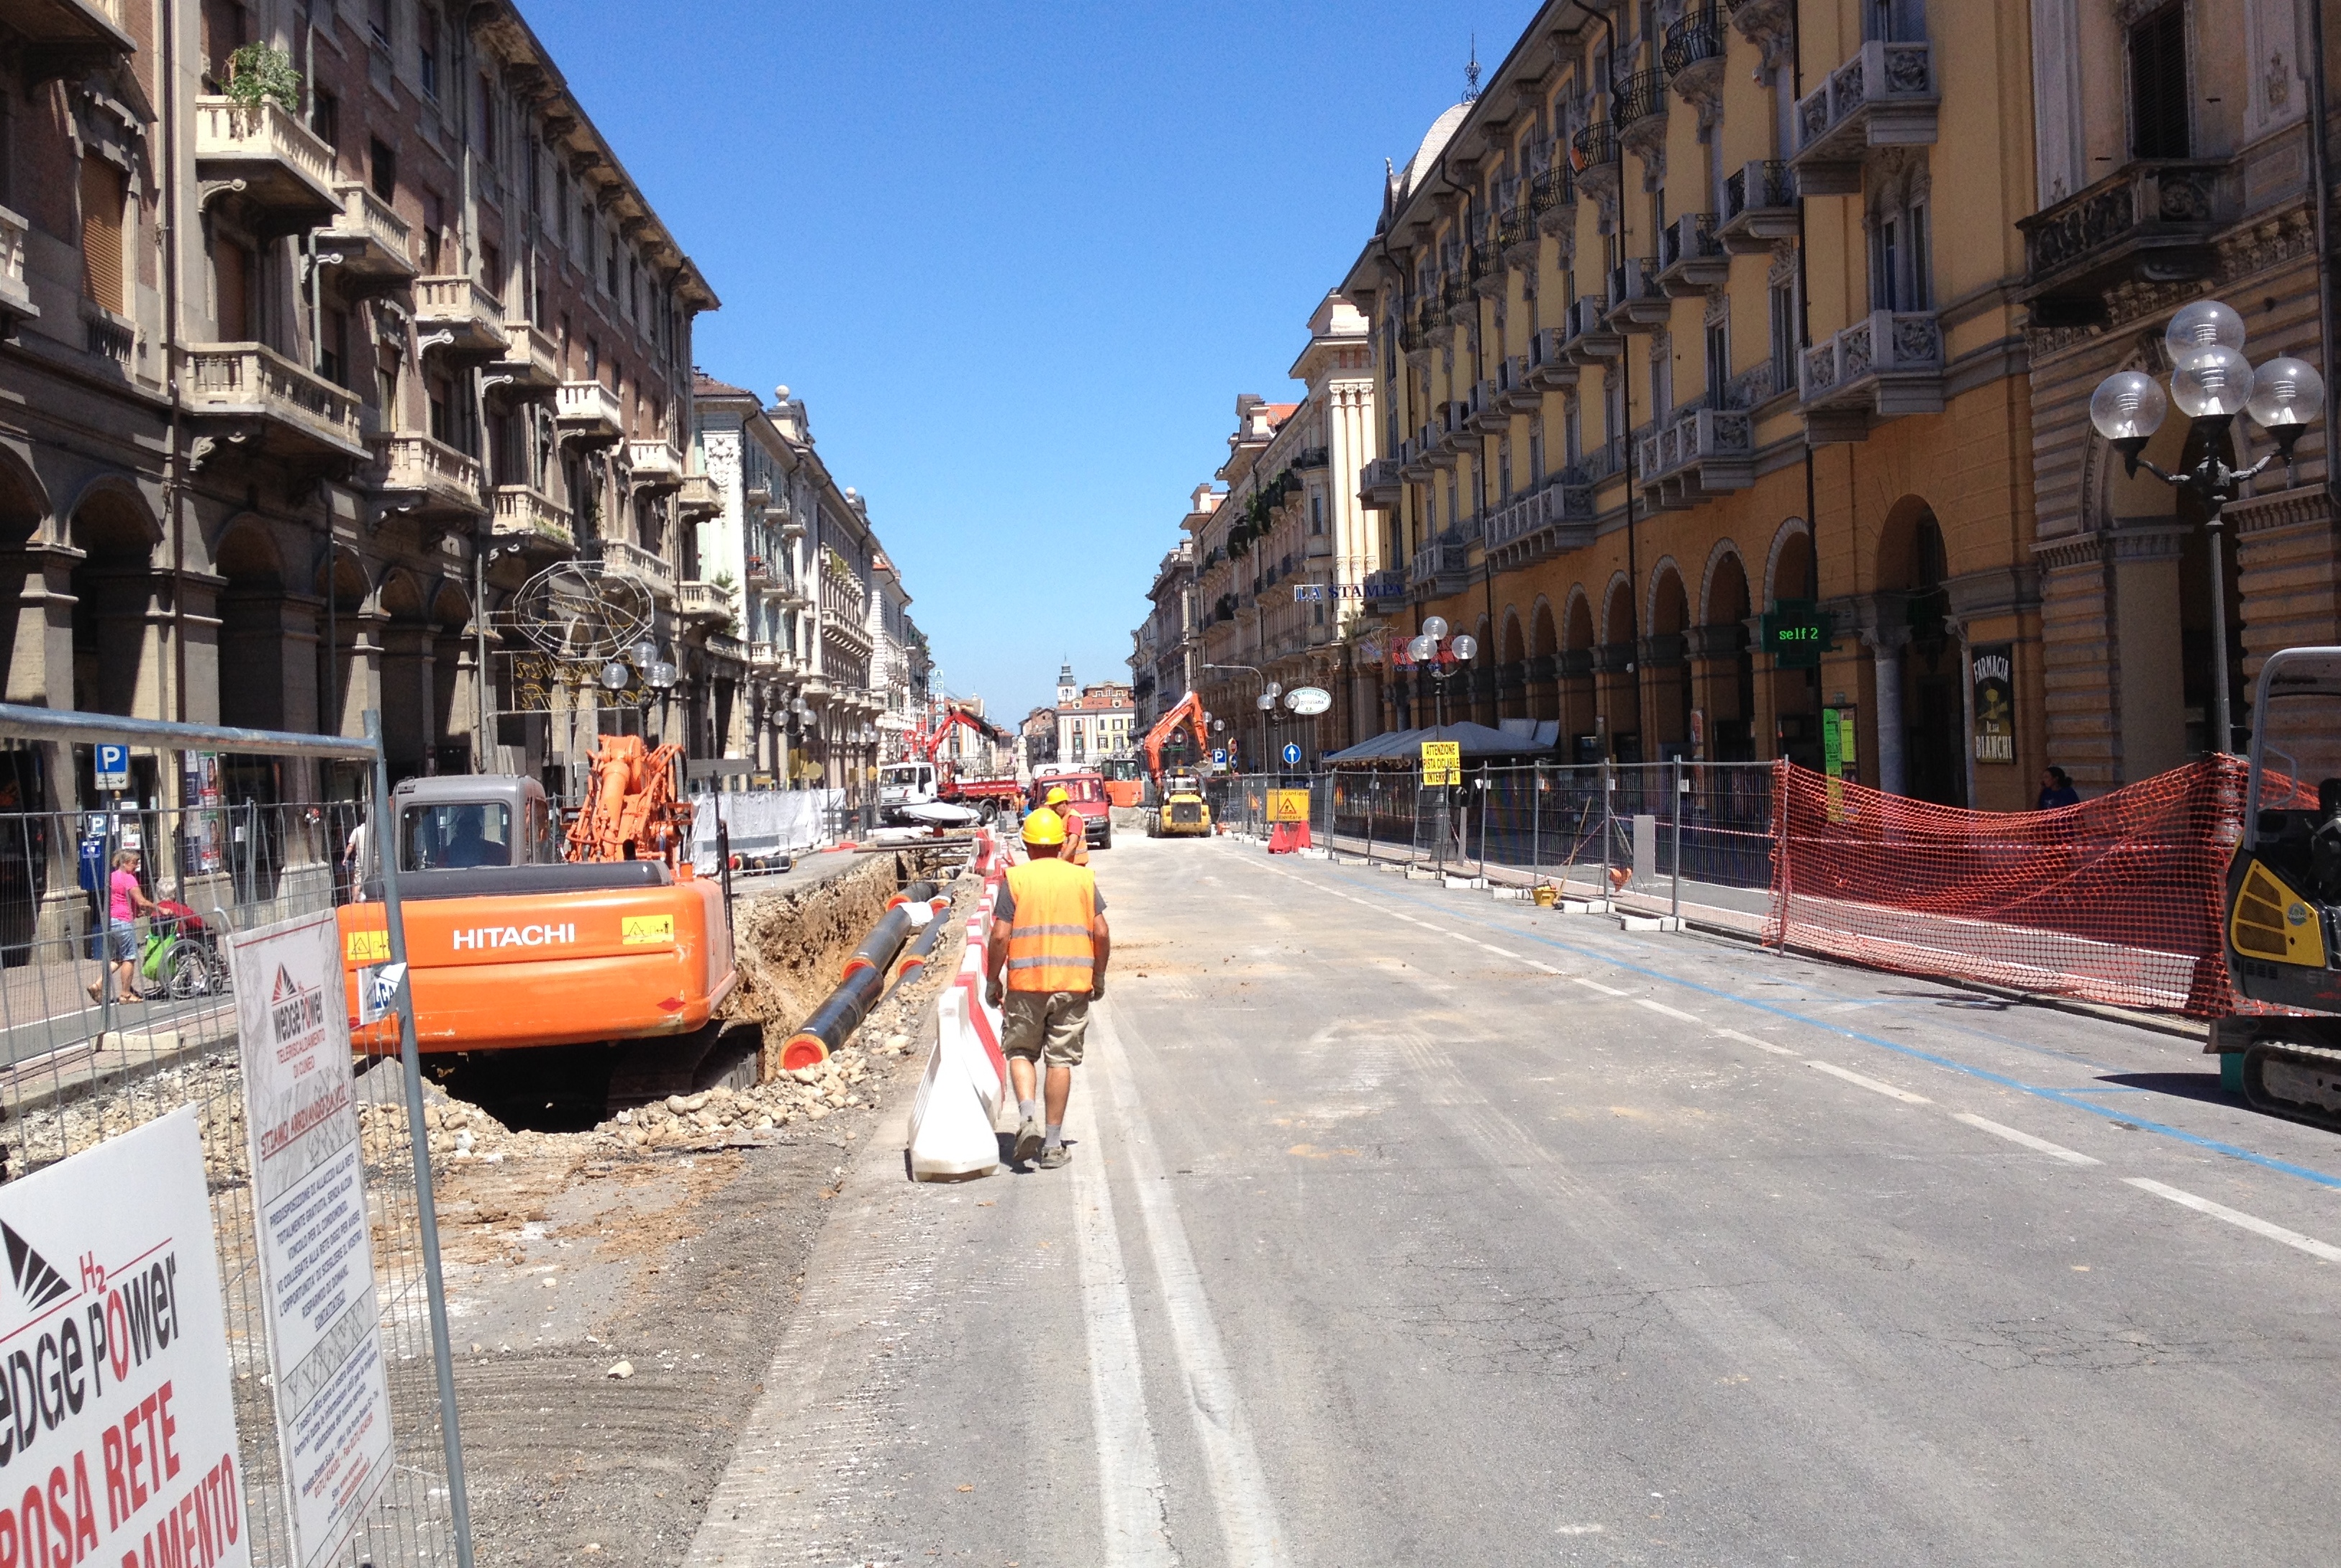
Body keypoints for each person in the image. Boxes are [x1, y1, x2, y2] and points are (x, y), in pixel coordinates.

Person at [984, 807, 1109, 1170]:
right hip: (1073, 986)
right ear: (1059, 844)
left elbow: (1000, 936)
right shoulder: (1082, 880)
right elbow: (1101, 932)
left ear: (1026, 843)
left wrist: (994, 981)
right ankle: (1053, 1147)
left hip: (1026, 985)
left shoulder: (1016, 879)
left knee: (1021, 1051)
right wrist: (1097, 977)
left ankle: (1026, 1119)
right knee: (1060, 1060)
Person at [88, 847, 153, 1005]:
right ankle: (125, 994)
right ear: (124, 863)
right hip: (123, 921)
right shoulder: (129, 878)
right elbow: (141, 901)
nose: (137, 865)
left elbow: (119, 898)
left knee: (117, 958)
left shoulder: (112, 877)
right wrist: (160, 908)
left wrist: (136, 912)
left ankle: (97, 985)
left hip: (111, 921)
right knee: (129, 957)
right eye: (134, 862)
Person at [1042, 783, 1090, 866]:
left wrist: (1061, 861)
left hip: (1075, 865)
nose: (1053, 810)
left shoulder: (1073, 818)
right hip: (1068, 864)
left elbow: (1073, 843)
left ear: (1064, 804)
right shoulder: (1062, 817)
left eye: (1054, 807)